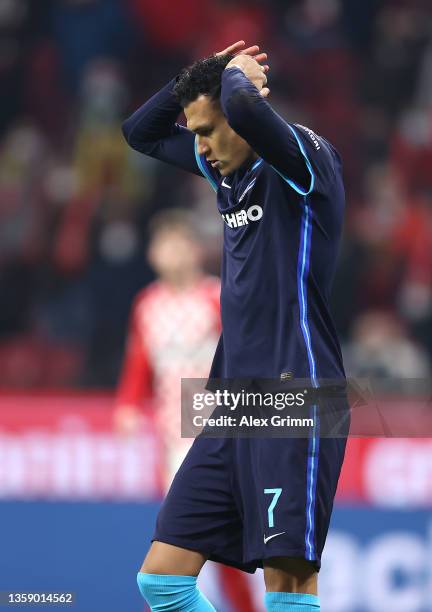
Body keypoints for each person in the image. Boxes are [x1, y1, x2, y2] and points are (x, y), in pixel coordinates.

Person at [122, 40, 348, 611]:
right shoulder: (228, 174)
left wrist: (238, 78)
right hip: (232, 405)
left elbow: (246, 111)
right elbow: (139, 133)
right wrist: (192, 81)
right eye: (193, 131)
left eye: (206, 130)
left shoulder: (303, 160)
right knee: (162, 581)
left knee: (288, 589)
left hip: (296, 397)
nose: (199, 147)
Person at [114, 208, 257, 611]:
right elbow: (139, 362)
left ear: (196, 251)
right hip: (171, 436)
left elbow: (244, 356)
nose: (170, 254)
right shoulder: (147, 304)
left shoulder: (217, 296)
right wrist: (127, 405)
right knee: (177, 541)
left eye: (178, 244)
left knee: (221, 543)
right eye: (162, 245)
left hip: (218, 431)